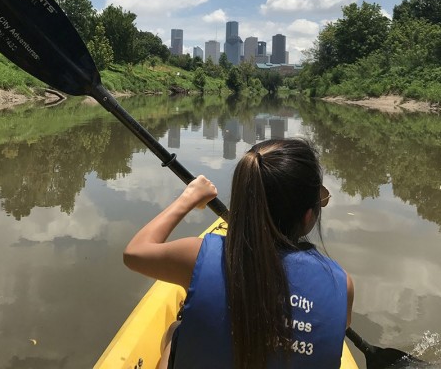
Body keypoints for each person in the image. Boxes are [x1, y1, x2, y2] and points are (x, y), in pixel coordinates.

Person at [123, 138, 354, 369]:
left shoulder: (196, 257)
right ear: (308, 216)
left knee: (174, 331)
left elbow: (135, 252)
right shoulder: (342, 284)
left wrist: (189, 197)